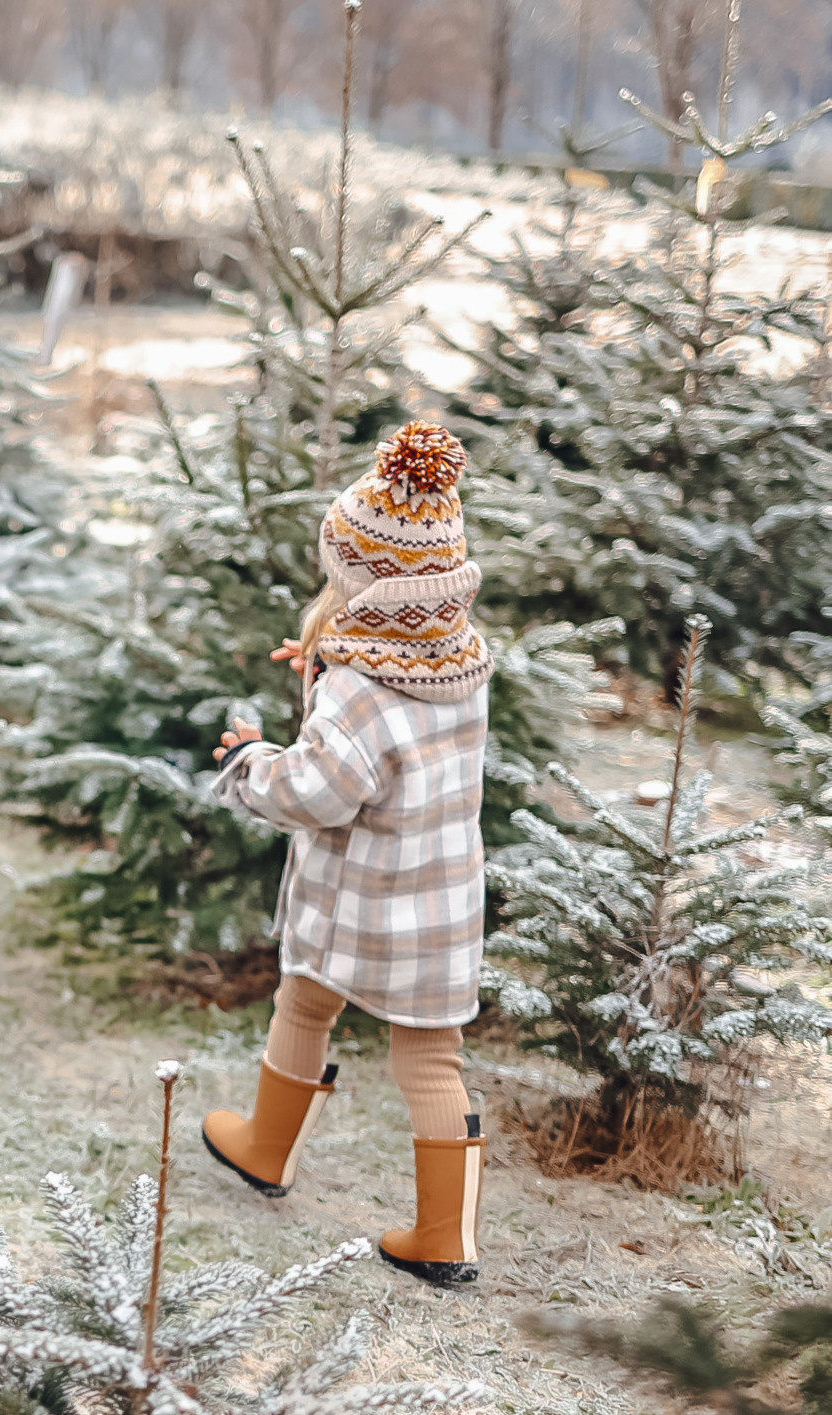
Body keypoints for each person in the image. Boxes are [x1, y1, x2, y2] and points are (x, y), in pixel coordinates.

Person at [200, 420, 493, 1284]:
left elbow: (317, 790)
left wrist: (249, 765)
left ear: (362, 578)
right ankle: (445, 1237)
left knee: (303, 1003)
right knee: (430, 1058)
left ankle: (265, 1147)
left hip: (351, 902)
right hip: (438, 904)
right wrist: (322, 676)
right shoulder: (459, 657)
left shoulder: (357, 688)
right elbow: (387, 739)